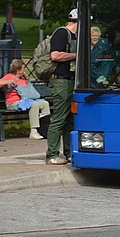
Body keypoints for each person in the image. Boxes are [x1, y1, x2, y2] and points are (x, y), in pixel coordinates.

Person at [46, 9, 79, 164]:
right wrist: (76, 55)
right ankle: (51, 154)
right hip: (61, 82)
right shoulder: (61, 33)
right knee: (59, 119)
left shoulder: (74, 36)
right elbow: (55, 55)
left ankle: (69, 153)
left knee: (70, 119)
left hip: (71, 81)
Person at [0, 58, 51, 140]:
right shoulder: (9, 77)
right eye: (23, 68)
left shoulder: (23, 79)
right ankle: (33, 131)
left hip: (27, 100)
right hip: (13, 103)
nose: (24, 70)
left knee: (44, 104)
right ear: (18, 70)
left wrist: (26, 78)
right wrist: (10, 81)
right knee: (34, 105)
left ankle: (45, 129)